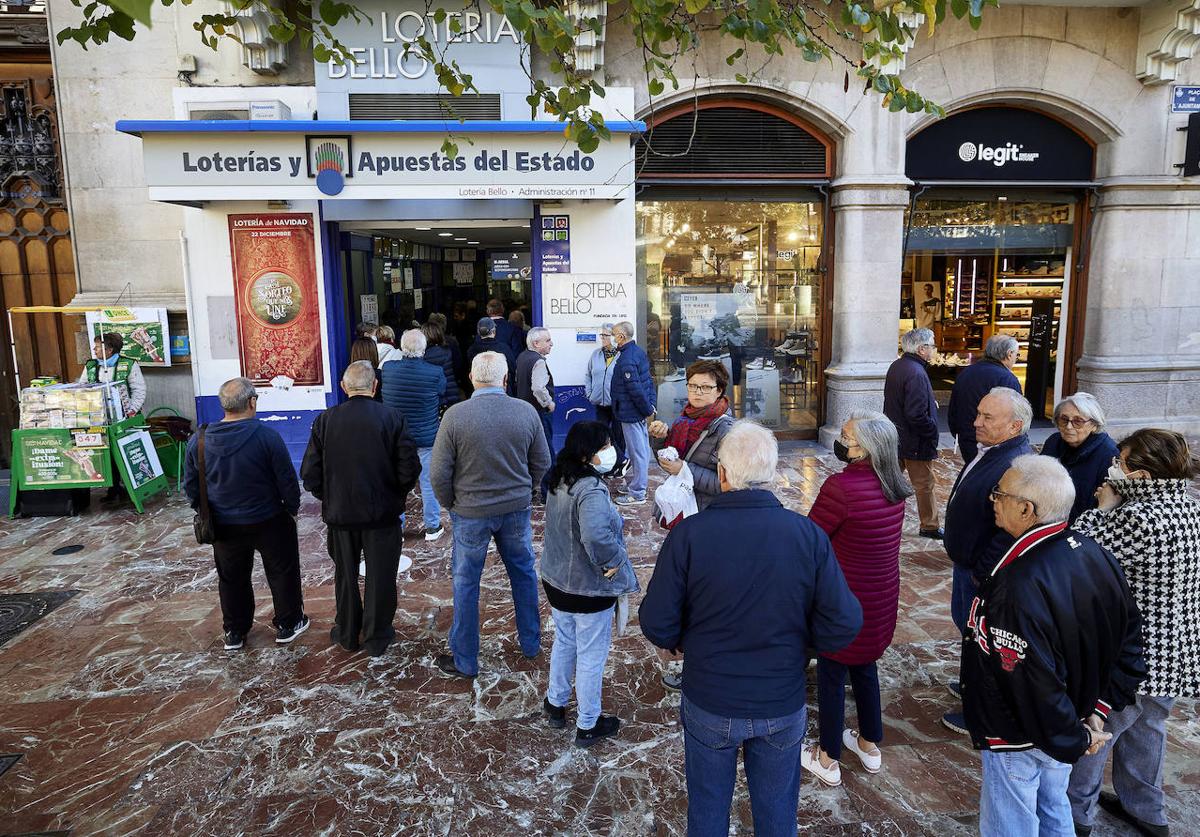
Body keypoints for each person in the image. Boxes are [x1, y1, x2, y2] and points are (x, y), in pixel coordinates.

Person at [640, 420, 863, 837]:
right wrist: (801, 647)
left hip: (711, 698)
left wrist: (687, 641)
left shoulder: (690, 535)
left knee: (707, 812)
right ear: (772, 475)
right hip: (780, 699)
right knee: (778, 815)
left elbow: (657, 623)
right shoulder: (807, 536)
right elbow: (844, 623)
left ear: (722, 474)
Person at [963, 455, 1146, 837]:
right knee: (1053, 804)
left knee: (1010, 822)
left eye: (999, 494)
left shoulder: (1018, 585)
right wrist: (1094, 711)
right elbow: (1128, 641)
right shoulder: (1091, 552)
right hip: (1068, 718)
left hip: (1022, 733)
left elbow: (1030, 679)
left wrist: (1075, 735)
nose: (993, 500)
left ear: (1026, 509)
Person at [1068, 429, 1200, 837]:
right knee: (1148, 730)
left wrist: (1103, 508)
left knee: (1097, 731)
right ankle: (1145, 809)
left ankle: (1076, 816)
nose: (1111, 468)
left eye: (1119, 462)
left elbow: (1079, 548)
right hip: (1174, 652)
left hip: (1133, 656)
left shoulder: (1136, 518)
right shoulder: (1189, 508)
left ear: (1140, 476)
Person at [801, 411, 911, 786]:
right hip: (880, 597)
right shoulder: (894, 484)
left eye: (847, 436)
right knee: (865, 667)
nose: (841, 441)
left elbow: (813, 539)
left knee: (832, 674)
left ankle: (828, 757)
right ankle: (868, 743)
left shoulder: (841, 488)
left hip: (843, 599)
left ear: (865, 447)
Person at [430, 351, 551, 678]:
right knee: (524, 574)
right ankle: (530, 643)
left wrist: (452, 504)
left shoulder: (455, 416)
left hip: (470, 512)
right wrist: (529, 492)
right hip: (515, 510)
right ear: (506, 379)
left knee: (466, 582)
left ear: (471, 378)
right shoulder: (525, 411)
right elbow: (542, 462)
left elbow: (439, 473)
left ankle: (466, 660)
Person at [301, 361, 419, 656]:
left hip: (341, 514)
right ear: (375, 386)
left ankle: (347, 631)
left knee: (345, 575)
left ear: (344, 387)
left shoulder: (326, 420)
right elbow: (409, 467)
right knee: (381, 576)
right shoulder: (391, 417)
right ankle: (377, 636)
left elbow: (310, 473)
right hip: (382, 514)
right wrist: (395, 494)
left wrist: (329, 497)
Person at [184, 377, 308, 650]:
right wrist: (292, 510)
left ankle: (235, 632)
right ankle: (289, 623)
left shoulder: (200, 439)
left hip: (224, 524)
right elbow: (287, 480)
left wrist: (205, 511)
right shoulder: (267, 437)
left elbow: (190, 485)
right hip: (269, 519)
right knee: (282, 572)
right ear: (252, 402)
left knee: (231, 578)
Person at [540, 420, 639, 747]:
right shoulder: (591, 490)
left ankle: (555, 704)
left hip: (557, 582)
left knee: (565, 641)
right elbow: (596, 536)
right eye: (605, 446)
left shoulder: (559, 477)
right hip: (587, 588)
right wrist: (612, 562)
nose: (611, 452)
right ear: (589, 453)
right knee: (591, 655)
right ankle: (588, 723)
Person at [941, 386, 1034, 735]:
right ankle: (970, 686)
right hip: (968, 565)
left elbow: (1010, 530)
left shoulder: (1015, 465)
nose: (975, 422)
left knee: (983, 642)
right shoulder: (993, 450)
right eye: (978, 413)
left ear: (1015, 426)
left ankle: (980, 711)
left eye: (987, 417)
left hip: (981, 572)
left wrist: (984, 572)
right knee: (967, 630)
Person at [379, 329, 447, 541]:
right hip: (426, 437)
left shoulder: (388, 369)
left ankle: (396, 528)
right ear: (424, 349)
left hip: (396, 438)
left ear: (401, 348)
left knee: (396, 483)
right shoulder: (435, 372)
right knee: (428, 483)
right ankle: (433, 528)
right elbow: (442, 392)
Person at [647, 359, 734, 511]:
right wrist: (660, 440)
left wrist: (684, 469)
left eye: (706, 387)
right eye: (693, 386)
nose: (698, 392)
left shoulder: (727, 430)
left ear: (719, 390)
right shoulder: (685, 419)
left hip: (709, 510)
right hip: (685, 504)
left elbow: (729, 484)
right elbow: (669, 464)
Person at [883, 328, 942, 539]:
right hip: (915, 441)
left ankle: (883, 518)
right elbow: (915, 414)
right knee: (924, 485)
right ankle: (930, 525)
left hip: (898, 437)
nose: (934, 350)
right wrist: (931, 429)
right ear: (922, 348)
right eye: (932, 346)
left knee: (889, 481)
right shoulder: (916, 372)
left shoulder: (898, 366)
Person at [1039, 392, 1119, 524]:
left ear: (1094, 425)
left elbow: (1106, 506)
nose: (1069, 426)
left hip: (1081, 526)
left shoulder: (1109, 455)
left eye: (1078, 421)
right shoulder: (1054, 442)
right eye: (1064, 419)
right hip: (1047, 520)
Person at [947, 334, 1021, 467]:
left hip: (966, 438)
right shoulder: (1007, 379)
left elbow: (953, 408)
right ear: (1009, 354)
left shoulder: (966, 372)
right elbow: (1015, 416)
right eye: (1017, 354)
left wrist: (959, 433)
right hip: (992, 442)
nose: (1016, 358)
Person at [610, 321, 656, 507]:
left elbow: (635, 388)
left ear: (621, 336)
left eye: (614, 335)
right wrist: (650, 405)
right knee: (639, 450)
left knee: (638, 452)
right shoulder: (636, 352)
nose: (613, 338)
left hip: (631, 412)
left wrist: (647, 410)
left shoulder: (628, 358)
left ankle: (637, 493)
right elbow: (648, 382)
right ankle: (636, 485)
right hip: (634, 411)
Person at [515, 326, 556, 501]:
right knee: (546, 453)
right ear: (536, 343)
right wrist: (549, 403)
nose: (551, 344)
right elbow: (538, 388)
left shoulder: (522, 357)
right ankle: (549, 494)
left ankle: (529, 489)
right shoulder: (538, 361)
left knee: (527, 453)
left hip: (524, 412)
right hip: (538, 413)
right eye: (547, 341)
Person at [583, 323, 625, 475]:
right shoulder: (596, 354)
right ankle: (612, 463)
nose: (602, 338)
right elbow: (588, 374)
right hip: (600, 402)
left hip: (617, 403)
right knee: (602, 435)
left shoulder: (621, 355)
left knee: (618, 434)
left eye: (606, 335)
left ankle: (619, 465)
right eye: (602, 335)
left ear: (614, 338)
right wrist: (590, 393)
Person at [80, 331, 146, 417]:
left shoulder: (129, 364)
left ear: (110, 350)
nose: (94, 349)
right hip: (97, 414)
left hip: (124, 413)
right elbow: (81, 388)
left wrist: (132, 410)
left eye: (97, 347)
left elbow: (139, 390)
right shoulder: (90, 365)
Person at [465, 316, 517, 395]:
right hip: (502, 390)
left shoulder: (472, 350)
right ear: (494, 331)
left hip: (478, 391)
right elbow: (512, 368)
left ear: (478, 332)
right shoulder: (504, 348)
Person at [421, 320, 461, 410]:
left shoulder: (423, 356)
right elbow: (457, 367)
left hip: (432, 397)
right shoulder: (447, 350)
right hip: (450, 392)